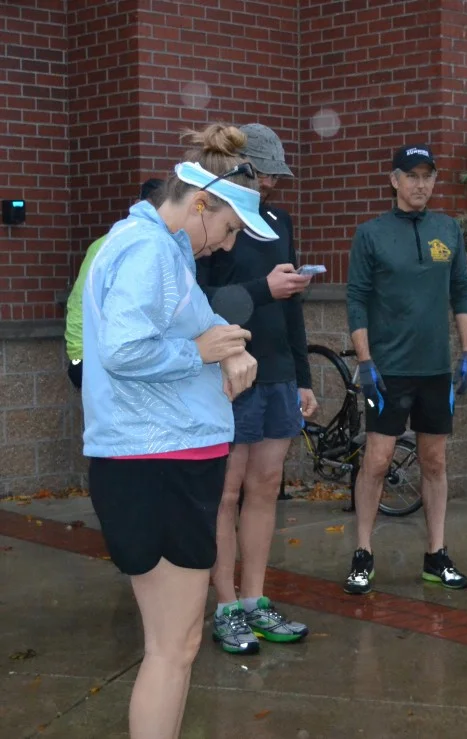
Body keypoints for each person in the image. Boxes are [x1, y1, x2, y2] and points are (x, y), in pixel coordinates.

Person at [81, 124, 273, 739]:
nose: (225, 246)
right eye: (228, 229)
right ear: (198, 203)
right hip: (155, 462)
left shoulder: (161, 249)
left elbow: (190, 328)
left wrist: (225, 348)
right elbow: (124, 350)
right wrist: (202, 352)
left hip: (164, 458)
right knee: (171, 648)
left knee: (179, 644)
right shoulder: (147, 249)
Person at [196, 123, 315, 655]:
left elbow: (291, 307)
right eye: (263, 173)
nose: (270, 184)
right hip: (230, 371)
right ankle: (225, 607)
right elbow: (199, 303)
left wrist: (303, 378)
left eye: (274, 176)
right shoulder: (213, 221)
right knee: (226, 492)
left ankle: (254, 600)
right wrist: (262, 290)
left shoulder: (279, 220)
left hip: (277, 372)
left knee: (266, 486)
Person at [342, 144, 467, 595]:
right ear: (394, 180)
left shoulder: (448, 230)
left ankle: (436, 555)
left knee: (434, 460)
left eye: (428, 176)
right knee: (377, 461)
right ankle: (363, 553)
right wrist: (364, 360)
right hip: (388, 370)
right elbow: (356, 297)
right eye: (412, 176)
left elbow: (462, 292)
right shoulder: (371, 233)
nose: (421, 184)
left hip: (435, 368)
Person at [64, 178, 165, 389]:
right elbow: (80, 301)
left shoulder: (164, 248)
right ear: (136, 204)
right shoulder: (106, 246)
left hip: (133, 360)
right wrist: (79, 356)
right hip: (97, 358)